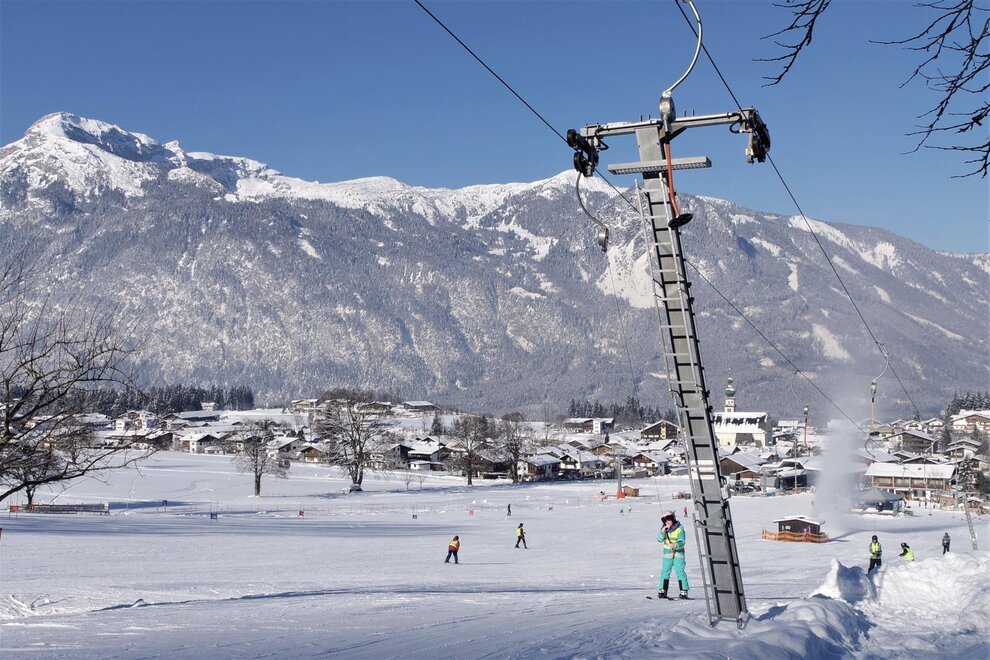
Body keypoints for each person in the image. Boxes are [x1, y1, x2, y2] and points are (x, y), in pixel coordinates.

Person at [658, 510, 689, 599]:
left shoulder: (679, 529)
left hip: (678, 554)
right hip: (667, 554)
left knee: (680, 571)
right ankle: (663, 590)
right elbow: (659, 539)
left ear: (673, 519)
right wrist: (663, 532)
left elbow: (682, 541)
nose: (667, 523)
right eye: (665, 521)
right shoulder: (665, 529)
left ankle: (684, 591)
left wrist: (675, 545)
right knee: (665, 571)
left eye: (668, 520)